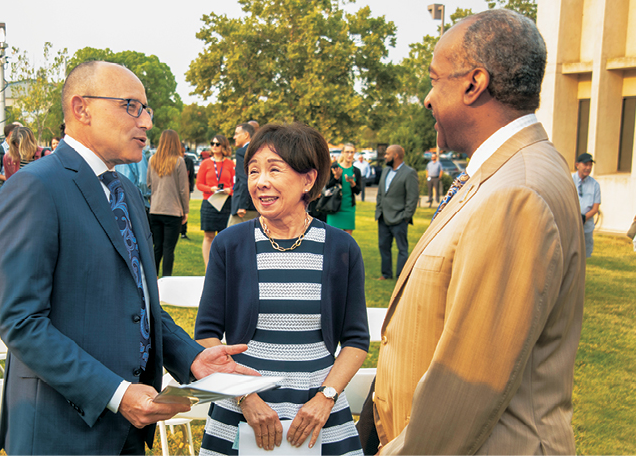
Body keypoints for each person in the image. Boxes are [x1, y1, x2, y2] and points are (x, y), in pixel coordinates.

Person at [0, 61, 254, 455]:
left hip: (128, 429)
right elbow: (22, 323)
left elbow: (141, 303)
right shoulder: (35, 187)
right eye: (131, 106)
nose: (146, 121)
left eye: (146, 109)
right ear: (82, 109)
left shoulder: (124, 193)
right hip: (61, 431)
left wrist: (193, 360)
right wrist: (116, 393)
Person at [362, 10, 585, 455]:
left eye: (435, 79)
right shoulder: (506, 173)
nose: (427, 99)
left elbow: (467, 384)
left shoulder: (515, 192)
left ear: (473, 83)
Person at [195, 122, 368, 456]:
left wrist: (325, 398)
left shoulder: (340, 248)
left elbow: (357, 340)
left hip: (317, 407)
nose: (261, 182)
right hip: (243, 406)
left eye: (274, 170)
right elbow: (206, 333)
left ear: (308, 179)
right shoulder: (230, 244)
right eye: (254, 170)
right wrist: (245, 397)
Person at [147, 129, 189, 276]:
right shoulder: (179, 161)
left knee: (157, 247)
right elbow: (183, 189)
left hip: (155, 209)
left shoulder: (152, 160)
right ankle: (166, 279)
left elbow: (148, 184)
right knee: (168, 249)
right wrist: (185, 211)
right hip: (172, 211)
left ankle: (152, 277)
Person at [375, 145, 418, 281]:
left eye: (388, 154)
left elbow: (412, 197)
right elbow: (381, 193)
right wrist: (378, 210)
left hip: (399, 218)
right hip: (383, 217)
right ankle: (386, 274)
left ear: (396, 156)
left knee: (402, 249)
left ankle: (401, 275)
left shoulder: (409, 172)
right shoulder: (385, 171)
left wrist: (406, 216)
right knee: (383, 246)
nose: (385, 156)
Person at [196, 134, 234, 267]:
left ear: (223, 145)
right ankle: (208, 267)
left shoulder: (229, 164)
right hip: (209, 201)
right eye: (212, 143)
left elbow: (235, 183)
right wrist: (210, 188)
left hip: (225, 202)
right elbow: (199, 184)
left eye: (217, 144)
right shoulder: (205, 163)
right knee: (208, 236)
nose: (214, 146)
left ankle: (223, 266)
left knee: (224, 236)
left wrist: (230, 190)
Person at [326, 143, 361, 234]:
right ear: (342, 153)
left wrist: (353, 183)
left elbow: (358, 191)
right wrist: (336, 178)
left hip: (349, 208)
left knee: (347, 240)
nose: (349, 155)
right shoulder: (334, 167)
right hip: (334, 207)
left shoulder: (356, 171)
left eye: (352, 152)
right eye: (347, 152)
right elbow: (327, 186)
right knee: (332, 238)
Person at [228, 123, 258, 226]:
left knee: (229, 238)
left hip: (244, 207)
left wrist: (242, 205)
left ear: (246, 135)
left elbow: (245, 179)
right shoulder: (259, 150)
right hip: (257, 203)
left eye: (236, 134)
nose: (234, 137)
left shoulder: (242, 152)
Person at [572, 153, 601, 258]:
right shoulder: (569, 180)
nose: (588, 168)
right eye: (585, 164)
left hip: (586, 227)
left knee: (584, 257)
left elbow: (595, 208)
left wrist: (583, 218)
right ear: (577, 165)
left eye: (590, 165)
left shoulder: (595, 185)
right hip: (571, 226)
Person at [180, 146, 195, 239]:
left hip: (186, 188)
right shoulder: (174, 161)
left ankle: (183, 231)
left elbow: (192, 175)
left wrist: (191, 188)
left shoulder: (188, 161)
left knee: (185, 209)